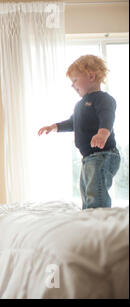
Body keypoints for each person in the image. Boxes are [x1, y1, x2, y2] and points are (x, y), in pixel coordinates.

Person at [38, 54, 120, 209]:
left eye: (75, 80)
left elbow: (107, 116)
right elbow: (72, 122)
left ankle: (99, 221)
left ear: (91, 76)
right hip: (89, 157)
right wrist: (54, 126)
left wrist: (103, 133)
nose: (72, 85)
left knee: (96, 192)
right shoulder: (80, 104)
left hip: (104, 154)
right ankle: (89, 219)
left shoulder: (103, 99)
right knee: (86, 191)